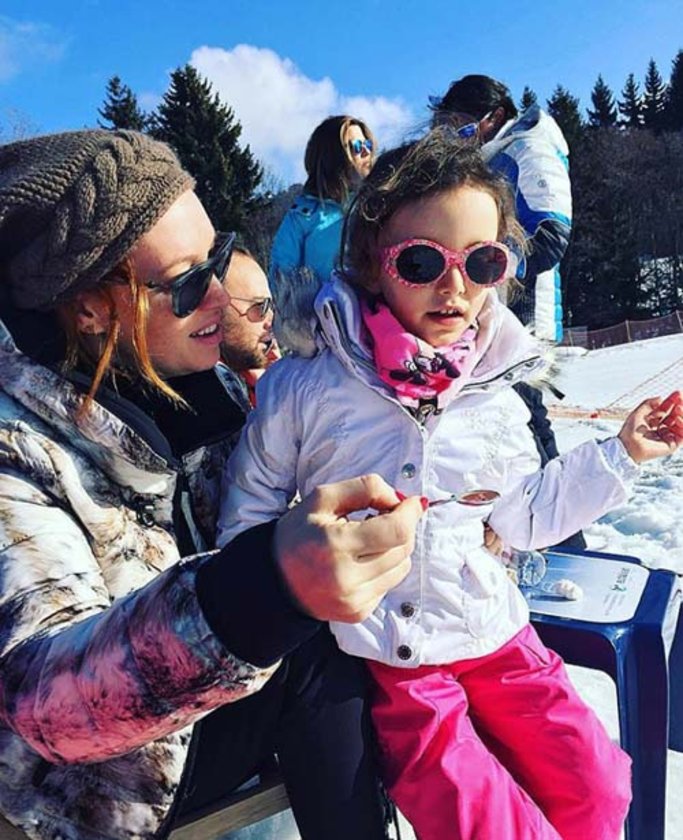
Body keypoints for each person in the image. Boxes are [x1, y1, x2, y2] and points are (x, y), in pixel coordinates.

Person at [218, 129, 683, 840]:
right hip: (396, 655)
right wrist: (291, 583)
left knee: (597, 786)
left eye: (482, 261)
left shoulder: (494, 387)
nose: (455, 286)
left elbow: (523, 515)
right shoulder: (307, 387)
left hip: (496, 633)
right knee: (483, 821)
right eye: (422, 260)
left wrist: (621, 455)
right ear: (372, 263)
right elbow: (249, 513)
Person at [0, 129, 425, 840]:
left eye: (218, 259)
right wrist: (261, 594)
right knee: (312, 648)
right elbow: (42, 699)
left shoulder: (208, 388)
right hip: (97, 787)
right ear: (90, 308)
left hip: (209, 710)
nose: (223, 300)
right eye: (189, 282)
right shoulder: (18, 450)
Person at [429, 74, 571, 341]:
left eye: (463, 124)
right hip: (491, 312)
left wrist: (488, 267)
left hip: (526, 313)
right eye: (449, 126)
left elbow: (550, 236)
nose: (457, 136)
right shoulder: (488, 160)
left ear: (495, 117)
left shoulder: (529, 149)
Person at [269, 115, 375, 292]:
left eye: (367, 145)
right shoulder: (303, 215)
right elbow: (280, 281)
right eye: (356, 147)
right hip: (321, 308)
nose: (366, 152)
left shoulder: (379, 206)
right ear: (333, 157)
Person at [220, 243, 280, 407]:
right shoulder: (211, 404)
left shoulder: (256, 387)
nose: (272, 320)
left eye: (271, 306)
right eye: (260, 306)